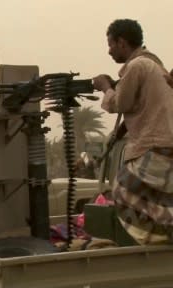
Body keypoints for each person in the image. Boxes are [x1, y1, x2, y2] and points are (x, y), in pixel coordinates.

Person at [93, 19, 173, 245]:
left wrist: (105, 87)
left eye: (110, 44)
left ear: (121, 42)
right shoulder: (155, 66)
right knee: (158, 201)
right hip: (164, 144)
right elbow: (144, 106)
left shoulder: (137, 66)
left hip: (153, 144)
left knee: (122, 190)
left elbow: (120, 103)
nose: (109, 50)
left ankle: (154, 241)